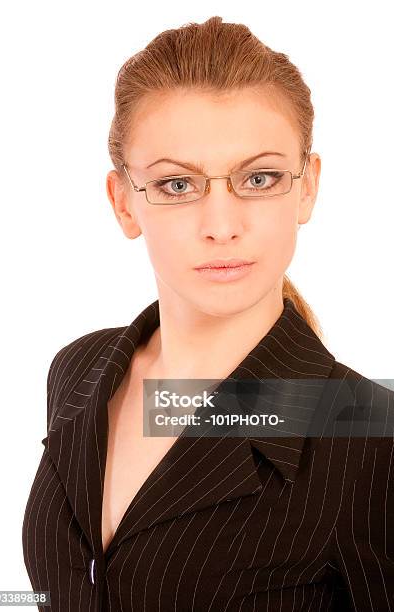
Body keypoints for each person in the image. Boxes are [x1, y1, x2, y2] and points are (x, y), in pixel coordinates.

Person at [22, 15, 394, 612]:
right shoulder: (79, 369)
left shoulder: (372, 444)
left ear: (307, 188)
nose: (222, 227)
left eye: (261, 177)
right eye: (176, 185)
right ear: (124, 202)